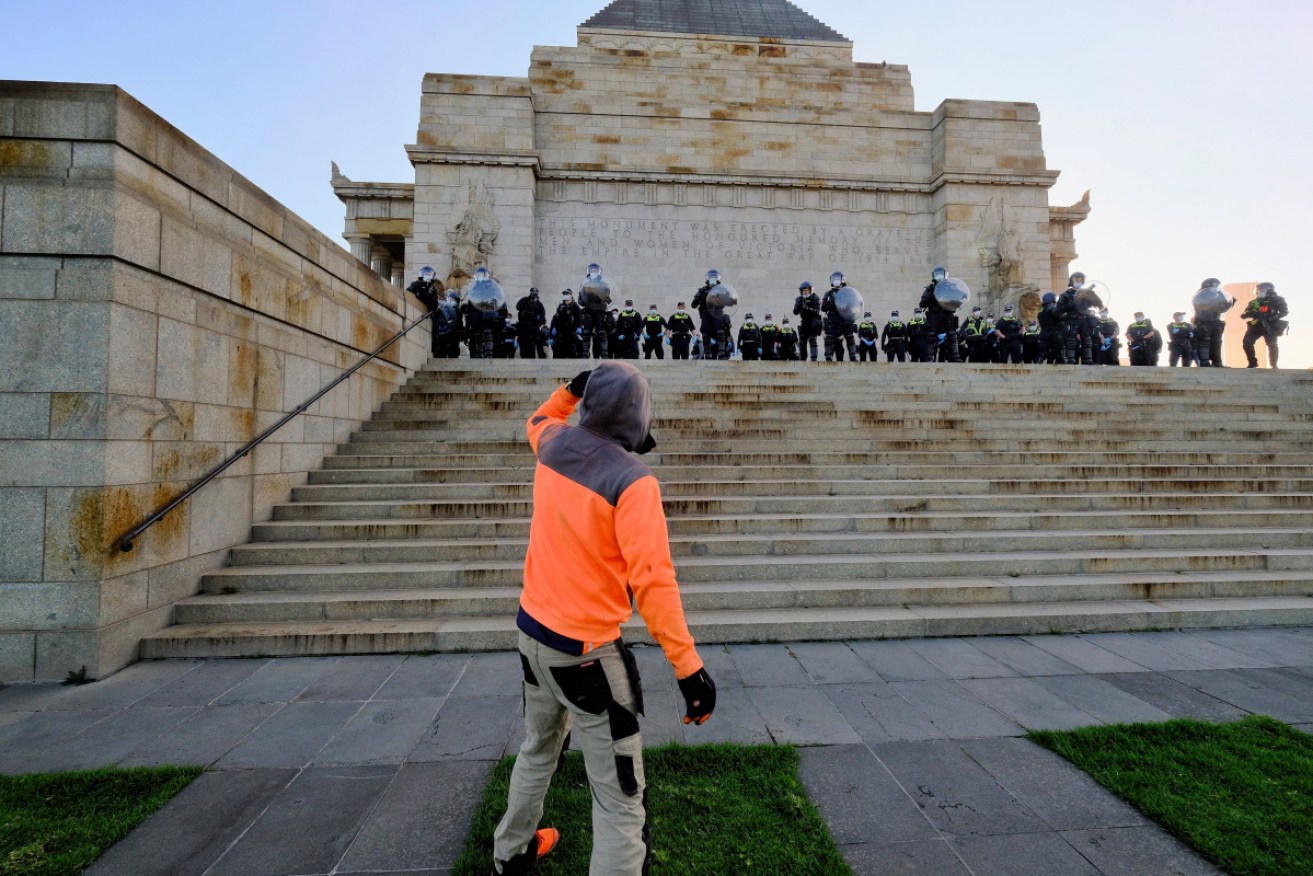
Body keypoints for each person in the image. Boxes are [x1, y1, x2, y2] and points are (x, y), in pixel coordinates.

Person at [490, 363, 716, 876]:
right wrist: (688, 669)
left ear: (590, 403)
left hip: (532, 636)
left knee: (537, 750)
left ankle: (510, 855)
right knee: (619, 797)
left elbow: (538, 418)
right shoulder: (633, 481)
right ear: (637, 418)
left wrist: (570, 388)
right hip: (587, 654)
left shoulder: (552, 445)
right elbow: (653, 583)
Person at [1241, 282, 1290, 368]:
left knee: (1272, 344)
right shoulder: (1254, 302)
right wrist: (1253, 313)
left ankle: (1273, 364)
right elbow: (1244, 314)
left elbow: (1284, 312)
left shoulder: (1278, 300)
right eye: (1258, 290)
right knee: (1247, 343)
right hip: (1256, 325)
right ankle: (1252, 363)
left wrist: (1272, 318)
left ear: (1269, 290)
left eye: (1262, 290)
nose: (1259, 292)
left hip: (1270, 325)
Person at [918, 266, 961, 362]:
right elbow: (921, 304)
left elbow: (957, 298)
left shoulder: (950, 287)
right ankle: (929, 357)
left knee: (952, 334)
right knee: (931, 335)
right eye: (937, 275)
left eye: (941, 275)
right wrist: (930, 296)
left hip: (947, 312)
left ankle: (955, 356)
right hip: (934, 314)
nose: (939, 277)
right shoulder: (930, 288)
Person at [1192, 278, 1234, 367]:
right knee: (1205, 342)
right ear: (1208, 285)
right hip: (1204, 322)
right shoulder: (1200, 295)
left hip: (1216, 321)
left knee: (1217, 342)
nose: (1216, 287)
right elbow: (1200, 306)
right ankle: (1204, 362)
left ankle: (1217, 362)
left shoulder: (1220, 295)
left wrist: (1229, 302)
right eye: (1214, 285)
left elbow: (1225, 305)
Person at [691, 270, 732, 360]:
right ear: (708, 279)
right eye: (711, 278)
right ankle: (708, 354)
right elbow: (693, 305)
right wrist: (699, 298)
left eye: (714, 278)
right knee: (706, 334)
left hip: (717, 313)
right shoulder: (702, 290)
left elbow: (728, 300)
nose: (713, 279)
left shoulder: (721, 290)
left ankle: (721, 354)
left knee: (720, 332)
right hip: (706, 314)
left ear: (717, 279)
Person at [407, 265, 446, 357]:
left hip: (431, 314)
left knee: (436, 334)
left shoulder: (432, 288)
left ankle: (435, 354)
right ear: (422, 275)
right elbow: (411, 295)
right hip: (420, 313)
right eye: (427, 274)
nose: (429, 276)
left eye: (430, 274)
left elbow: (434, 303)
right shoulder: (416, 284)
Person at [821, 272, 857, 362]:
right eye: (834, 279)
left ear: (842, 280)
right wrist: (830, 304)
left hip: (844, 318)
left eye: (837, 279)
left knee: (850, 337)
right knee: (829, 338)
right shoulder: (828, 294)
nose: (835, 281)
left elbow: (852, 305)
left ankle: (853, 356)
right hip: (833, 319)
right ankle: (828, 357)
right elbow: (823, 307)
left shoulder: (847, 292)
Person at [580, 264, 611, 360]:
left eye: (595, 270)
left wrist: (601, 296)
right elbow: (580, 299)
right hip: (589, 311)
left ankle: (604, 353)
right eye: (592, 270)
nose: (593, 272)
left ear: (599, 272)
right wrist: (582, 301)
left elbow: (607, 298)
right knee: (586, 333)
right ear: (589, 271)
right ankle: (585, 353)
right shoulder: (584, 285)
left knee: (602, 332)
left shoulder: (604, 284)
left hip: (599, 311)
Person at [792, 281, 823, 361]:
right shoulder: (800, 299)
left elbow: (816, 311)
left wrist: (807, 308)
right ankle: (803, 358)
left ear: (810, 290)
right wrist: (798, 306)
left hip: (813, 321)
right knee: (802, 341)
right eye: (804, 291)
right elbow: (795, 312)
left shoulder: (815, 297)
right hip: (804, 321)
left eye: (807, 291)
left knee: (812, 340)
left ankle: (813, 358)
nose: (805, 292)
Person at [516, 288, 547, 360]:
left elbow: (542, 316)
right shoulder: (525, 300)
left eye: (535, 292)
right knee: (523, 347)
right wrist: (528, 300)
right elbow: (518, 306)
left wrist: (540, 325)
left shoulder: (539, 304)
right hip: (523, 327)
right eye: (532, 292)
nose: (533, 293)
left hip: (533, 328)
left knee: (531, 347)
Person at [550, 290, 583, 359]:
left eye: (567, 294)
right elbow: (555, 319)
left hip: (571, 334)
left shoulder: (575, 306)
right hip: (561, 334)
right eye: (564, 294)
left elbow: (579, 318)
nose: (565, 295)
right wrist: (552, 331)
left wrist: (579, 327)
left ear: (571, 295)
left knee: (572, 354)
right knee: (559, 355)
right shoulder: (561, 306)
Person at [1037, 292, 1062, 364]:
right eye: (1054, 303)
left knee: (1044, 353)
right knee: (1057, 353)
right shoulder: (1052, 312)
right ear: (1051, 302)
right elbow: (1060, 318)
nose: (1055, 304)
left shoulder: (1041, 313)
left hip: (1044, 334)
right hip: (1053, 335)